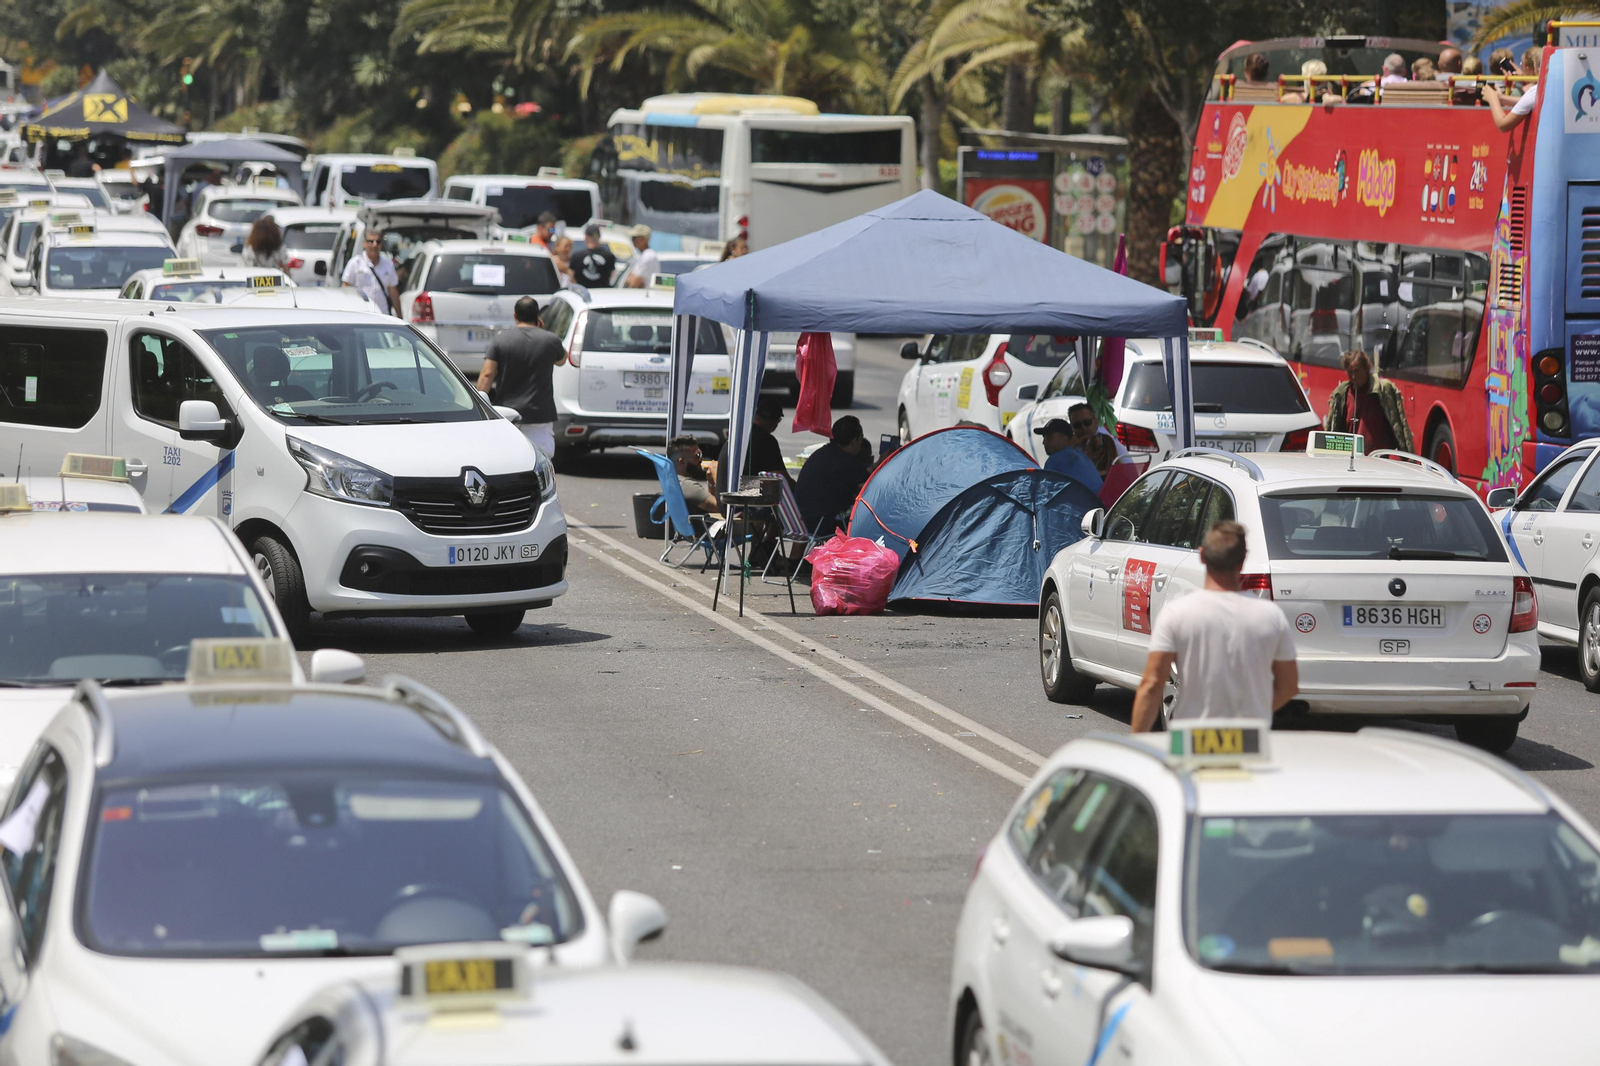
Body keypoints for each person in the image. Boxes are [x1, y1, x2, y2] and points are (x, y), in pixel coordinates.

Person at [1131, 520, 1298, 731]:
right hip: (1248, 741)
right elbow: (1289, 686)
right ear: (1244, 558)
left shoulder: (1177, 613)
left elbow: (1151, 685)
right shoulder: (1270, 615)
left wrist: (1136, 745)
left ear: (1202, 555)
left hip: (1189, 740)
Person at [476, 296, 564, 458]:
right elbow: (561, 360)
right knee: (540, 464)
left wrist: (478, 405)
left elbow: (487, 374)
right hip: (540, 418)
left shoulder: (501, 340)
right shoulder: (550, 340)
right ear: (538, 317)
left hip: (508, 416)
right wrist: (543, 333)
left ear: (515, 315)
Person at [794, 415, 872, 536]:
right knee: (867, 519)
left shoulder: (823, 453)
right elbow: (868, 483)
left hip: (800, 520)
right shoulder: (845, 460)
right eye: (861, 438)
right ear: (855, 440)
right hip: (821, 523)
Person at [1323, 349, 1412, 452]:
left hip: (1378, 456)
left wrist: (1408, 456)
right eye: (1350, 372)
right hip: (1350, 457)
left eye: (1357, 371)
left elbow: (1399, 425)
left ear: (1366, 370)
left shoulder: (1382, 391)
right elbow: (1331, 429)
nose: (1353, 376)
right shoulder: (1342, 394)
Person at [717, 396, 791, 492]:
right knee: (776, 486)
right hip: (742, 499)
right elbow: (782, 478)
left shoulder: (738, 434)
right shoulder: (766, 440)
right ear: (775, 421)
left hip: (725, 496)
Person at [341, 228, 401, 316]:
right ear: (364, 243)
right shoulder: (355, 263)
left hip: (383, 316)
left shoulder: (388, 264)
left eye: (378, 241)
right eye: (371, 241)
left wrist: (400, 316)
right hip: (361, 315)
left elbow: (394, 293)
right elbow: (345, 288)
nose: (374, 245)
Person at [1033, 417, 1103, 492]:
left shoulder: (1056, 460)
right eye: (1044, 437)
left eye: (1049, 437)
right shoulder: (1082, 457)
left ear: (1064, 437)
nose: (1044, 442)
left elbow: (1044, 494)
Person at [1483, 46, 1541, 132]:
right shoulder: (1547, 88)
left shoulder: (1534, 91)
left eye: (1522, 64)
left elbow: (1503, 125)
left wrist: (1493, 98)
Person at [668, 435, 720, 515]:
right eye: (697, 456)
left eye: (701, 454)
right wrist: (717, 477)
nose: (701, 459)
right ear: (682, 462)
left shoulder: (672, 481)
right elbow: (724, 509)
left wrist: (711, 483)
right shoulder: (688, 486)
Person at [1070, 403, 1119, 477]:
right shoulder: (1076, 444)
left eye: (1087, 422)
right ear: (1072, 427)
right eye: (1077, 425)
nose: (1083, 428)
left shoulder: (1107, 442)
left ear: (1096, 421)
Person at [574, 223, 616, 288]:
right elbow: (612, 276)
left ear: (586, 237)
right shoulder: (609, 256)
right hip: (604, 293)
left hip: (582, 293)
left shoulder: (577, 256)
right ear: (599, 237)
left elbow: (572, 277)